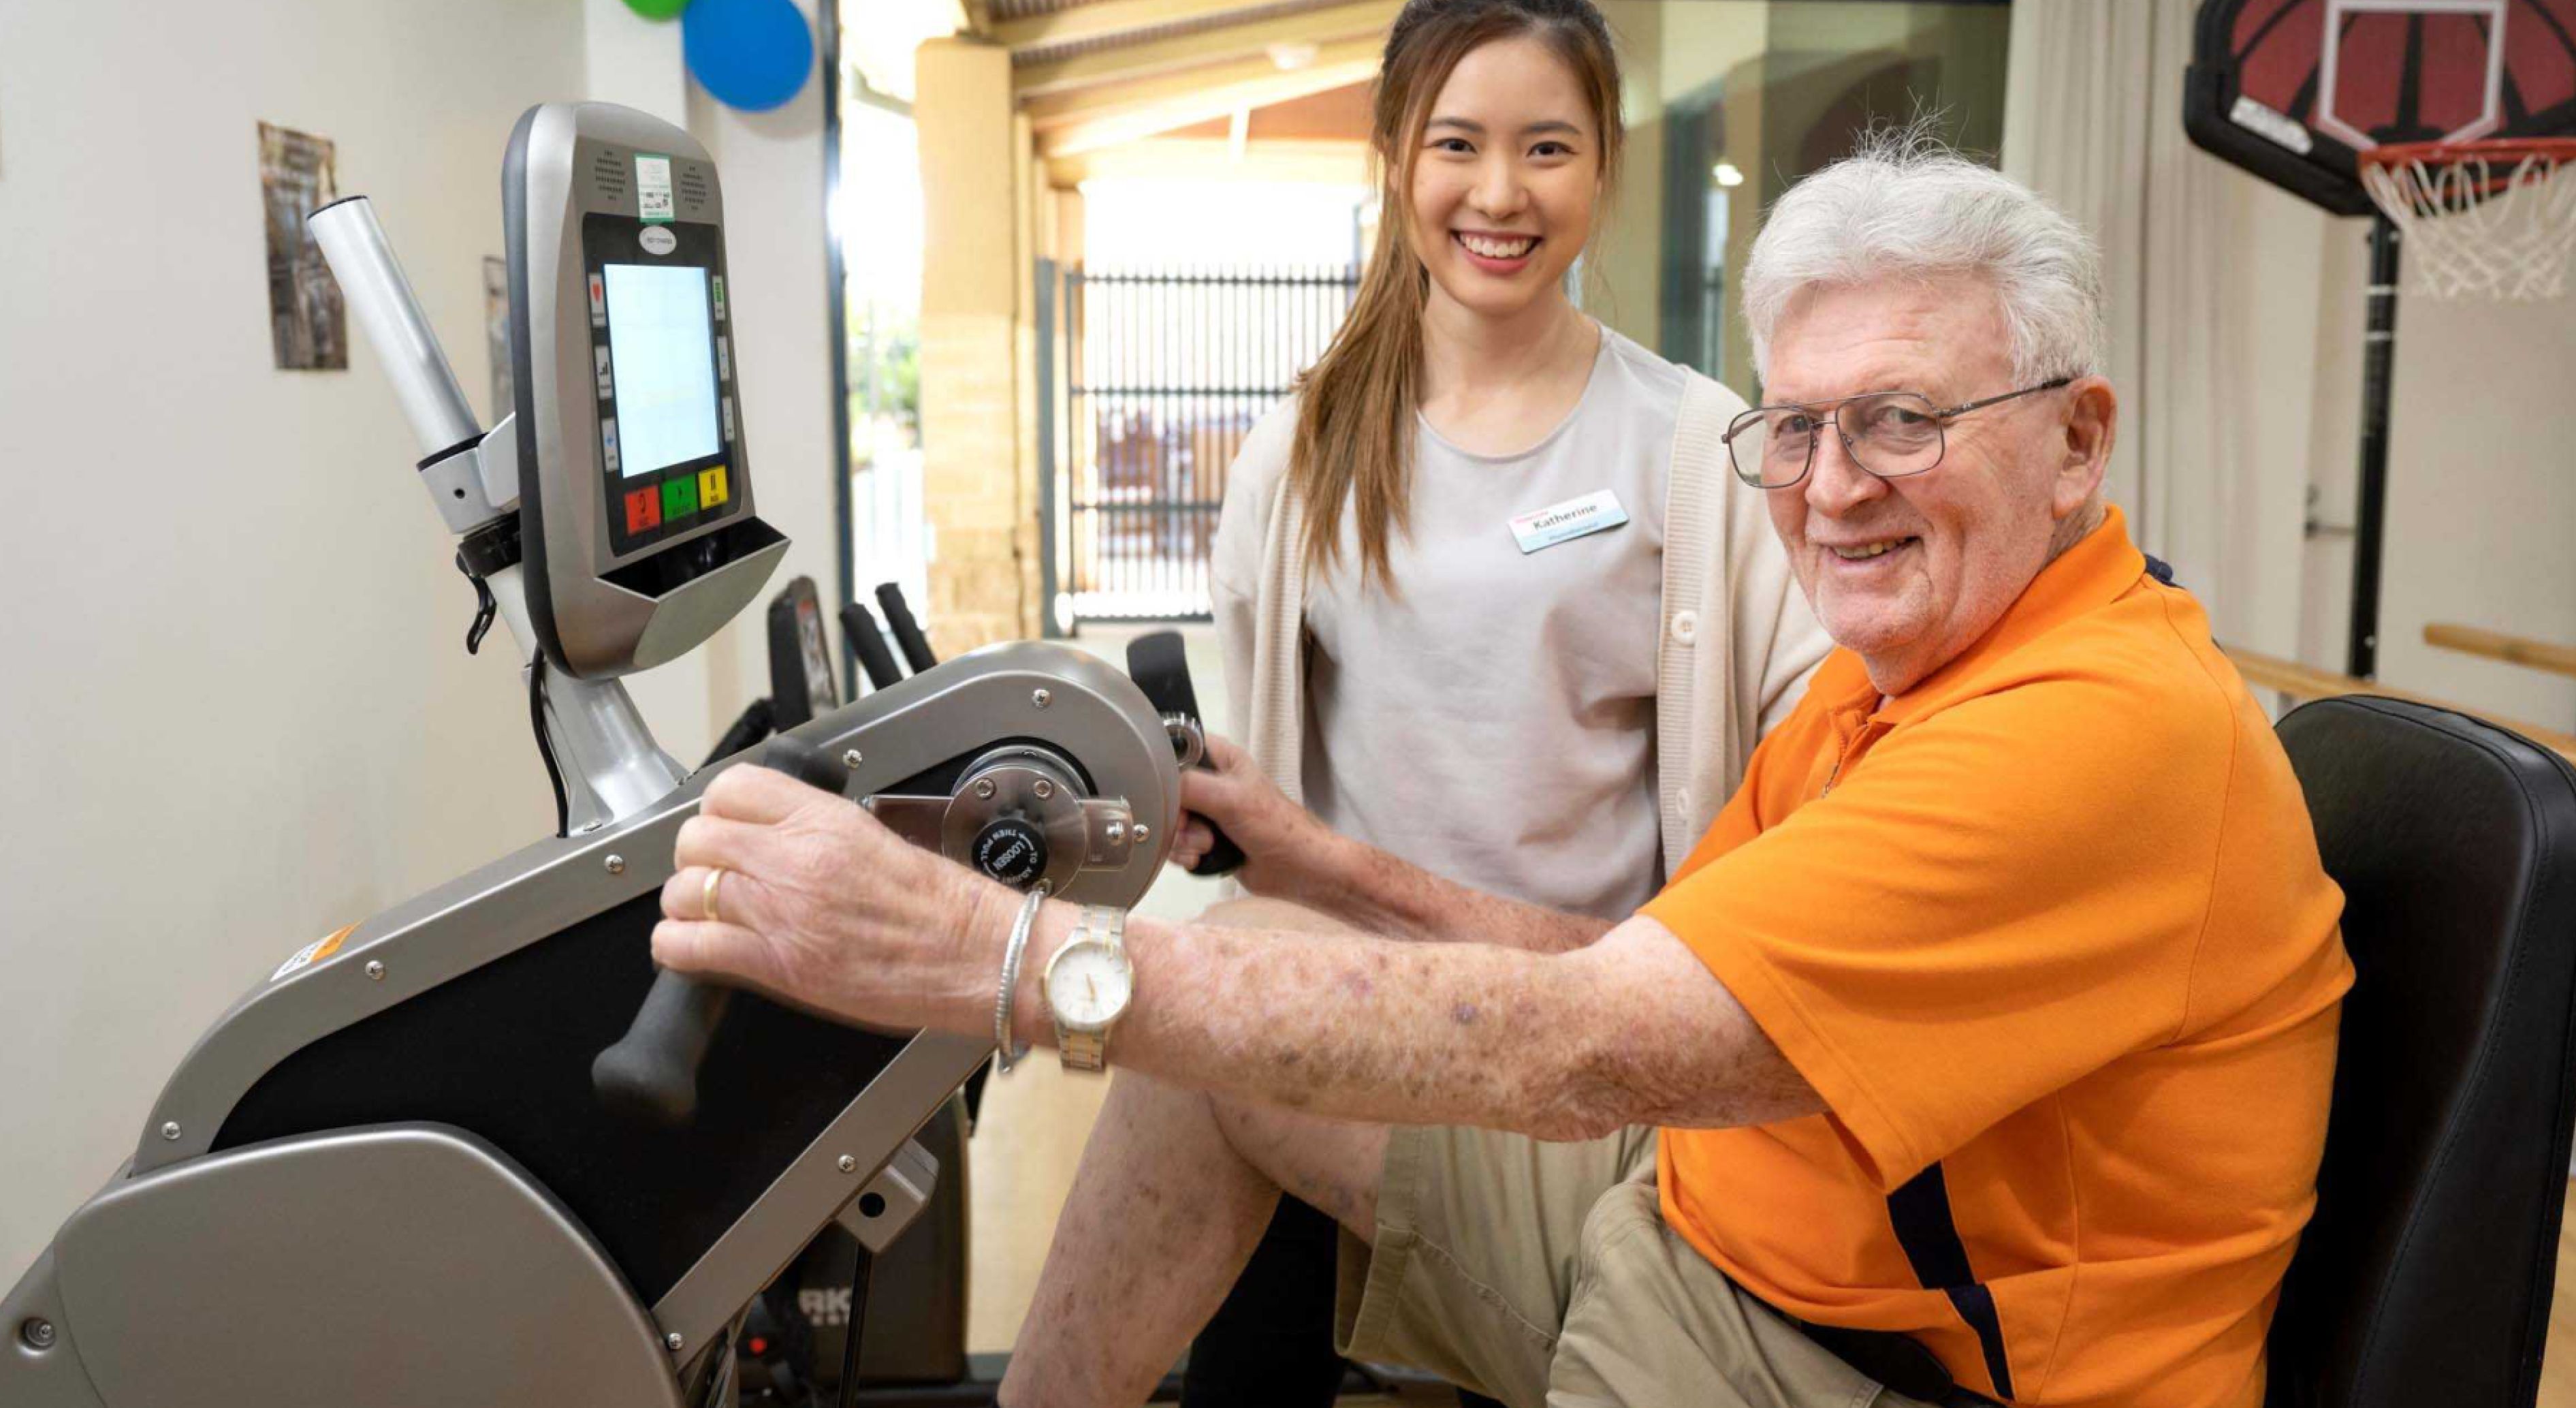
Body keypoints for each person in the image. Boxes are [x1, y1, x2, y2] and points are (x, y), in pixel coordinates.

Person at [651, 136, 2355, 1408]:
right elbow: (1631, 976)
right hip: (1700, 1204)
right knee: (1223, 1025)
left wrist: (994, 963)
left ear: (2077, 440)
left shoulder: (2088, 727)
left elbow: (1589, 1042)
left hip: (1847, 1365)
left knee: (1198, 1005)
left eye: (1903, 418)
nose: (1835, 488)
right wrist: (1318, 866)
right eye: (1805, 428)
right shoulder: (1890, 684)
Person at [1194, 0, 1827, 1397]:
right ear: (1393, 156)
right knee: (1246, 1358)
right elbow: (1249, 759)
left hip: (1575, 1039)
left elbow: (1809, 754)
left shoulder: (1693, 443)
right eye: (1456, 145)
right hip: (1350, 1017)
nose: (1499, 193)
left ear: (1604, 160)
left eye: (1547, 146)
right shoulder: (1304, 446)